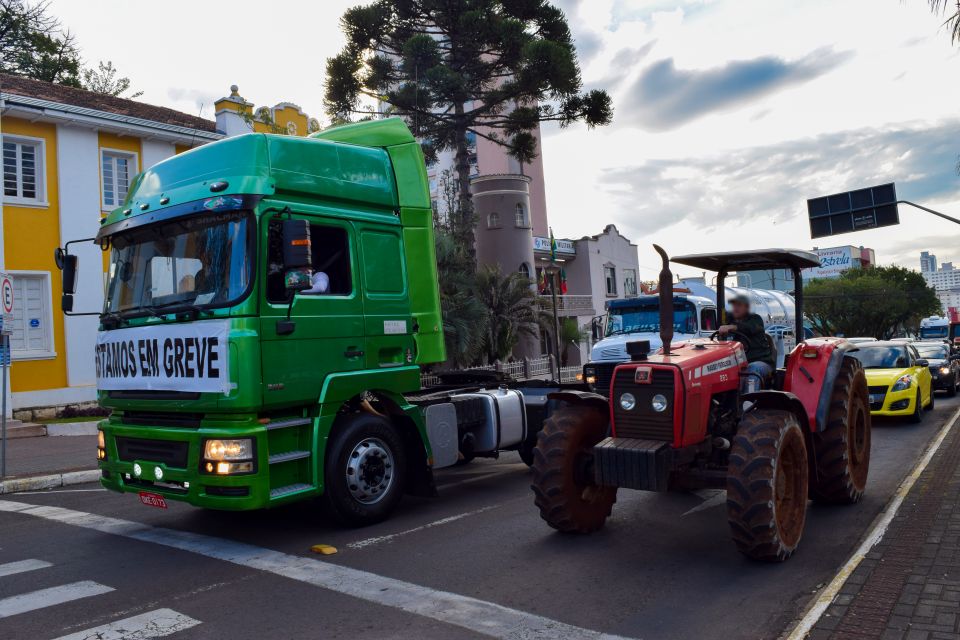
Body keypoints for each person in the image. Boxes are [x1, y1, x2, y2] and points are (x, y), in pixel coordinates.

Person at [718, 293, 774, 391]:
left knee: (752, 369)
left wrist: (732, 327)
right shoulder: (729, 322)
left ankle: (749, 402)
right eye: (734, 305)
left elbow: (749, 328)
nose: (735, 308)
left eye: (739, 305)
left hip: (761, 362)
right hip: (738, 364)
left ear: (747, 307)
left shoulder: (755, 320)